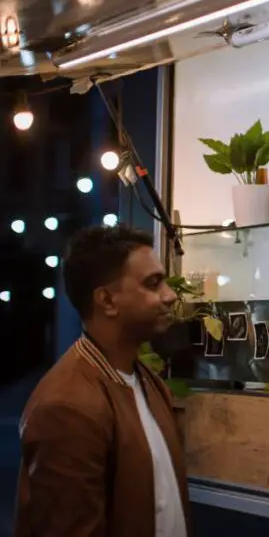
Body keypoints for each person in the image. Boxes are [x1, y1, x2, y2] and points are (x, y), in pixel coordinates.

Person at [15, 226, 189, 537]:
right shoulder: (66, 406)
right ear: (107, 300)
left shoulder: (147, 381)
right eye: (153, 284)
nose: (170, 294)